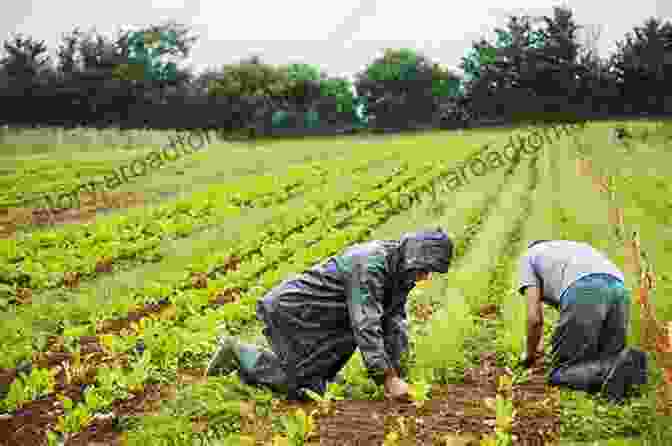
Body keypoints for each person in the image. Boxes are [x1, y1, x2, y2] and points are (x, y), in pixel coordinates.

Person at [205, 228, 454, 401]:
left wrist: (401, 372)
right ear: (414, 257)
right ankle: (238, 353)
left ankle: (251, 375)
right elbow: (366, 322)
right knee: (300, 386)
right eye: (425, 269)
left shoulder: (401, 272)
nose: (425, 277)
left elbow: (394, 322)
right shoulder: (371, 264)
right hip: (296, 311)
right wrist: (388, 379)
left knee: (314, 387)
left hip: (322, 319)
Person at [518, 240, 648, 402]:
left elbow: (534, 319)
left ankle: (612, 370)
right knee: (609, 359)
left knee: (561, 373)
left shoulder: (528, 257)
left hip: (584, 288)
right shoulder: (571, 248)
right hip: (619, 288)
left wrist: (529, 355)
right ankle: (626, 375)